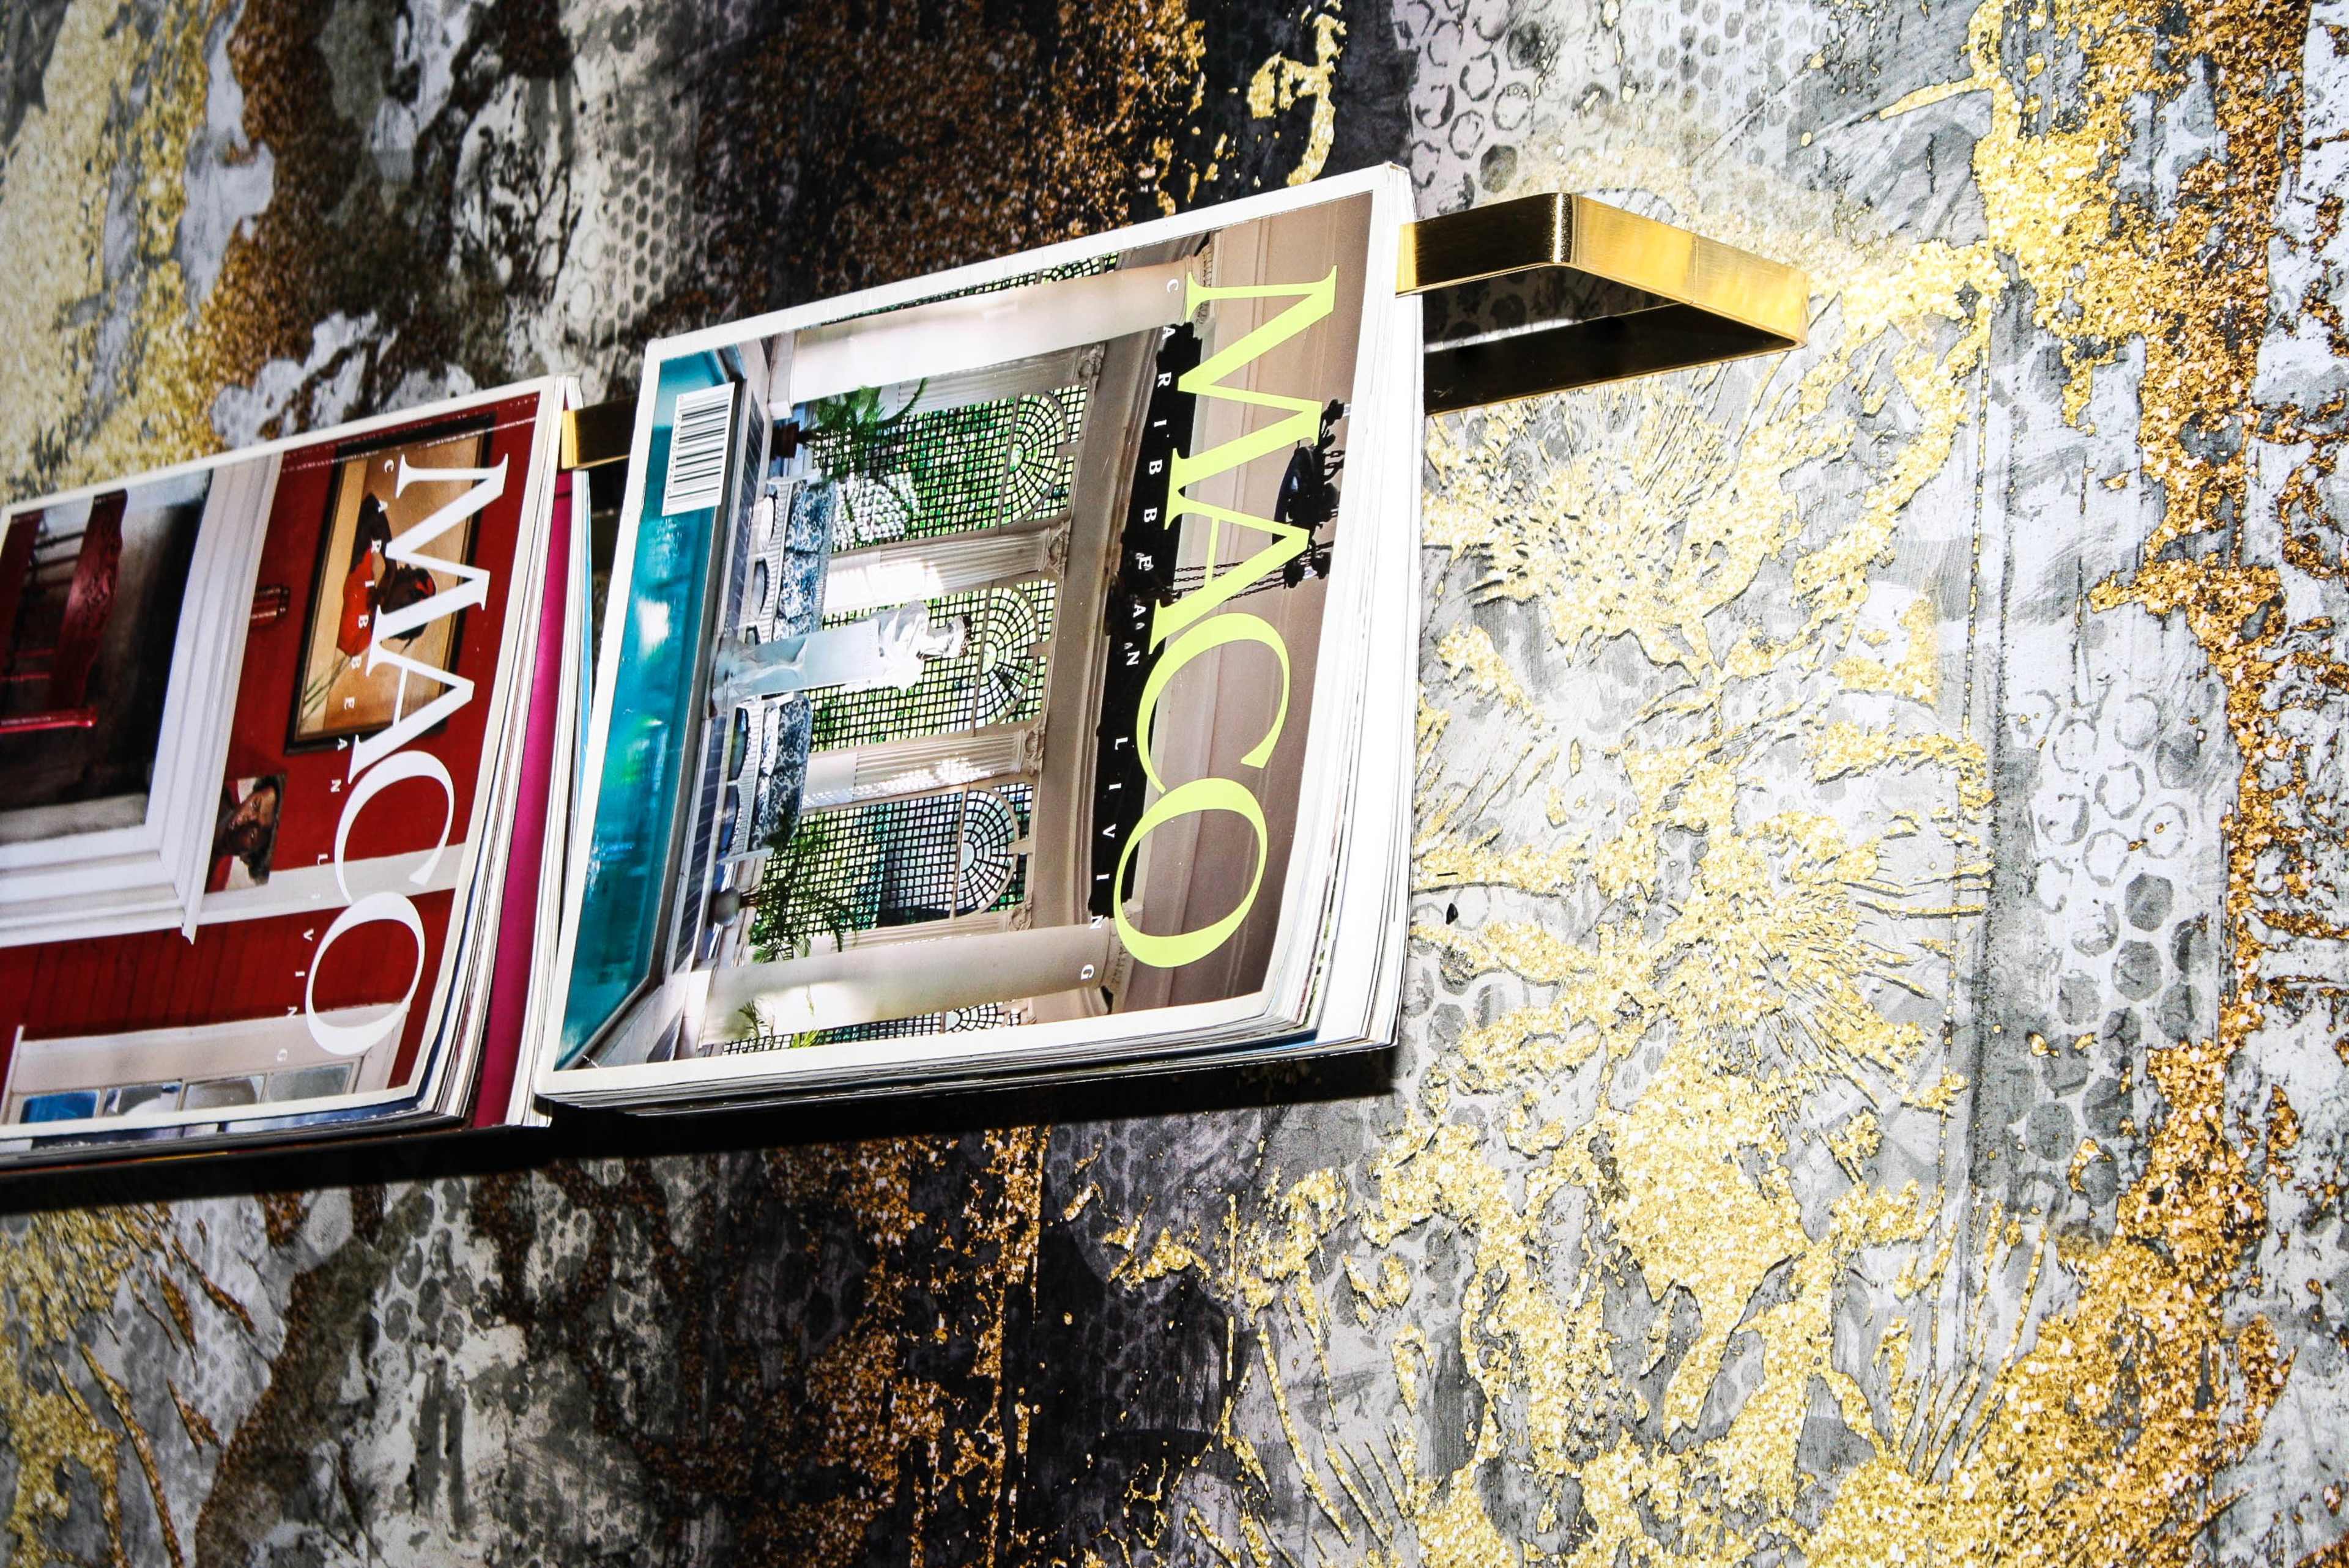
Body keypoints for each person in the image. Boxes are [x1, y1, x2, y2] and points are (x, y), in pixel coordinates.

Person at [711, 602, 968, 707]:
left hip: (853, 666)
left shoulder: (911, 673)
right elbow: (882, 618)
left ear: (944, 652)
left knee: (796, 672)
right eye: (948, 629)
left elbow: (875, 682)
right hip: (853, 641)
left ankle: (739, 685)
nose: (943, 637)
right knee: (796, 650)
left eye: (948, 643)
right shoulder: (919, 615)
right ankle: (743, 659)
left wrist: (852, 683)